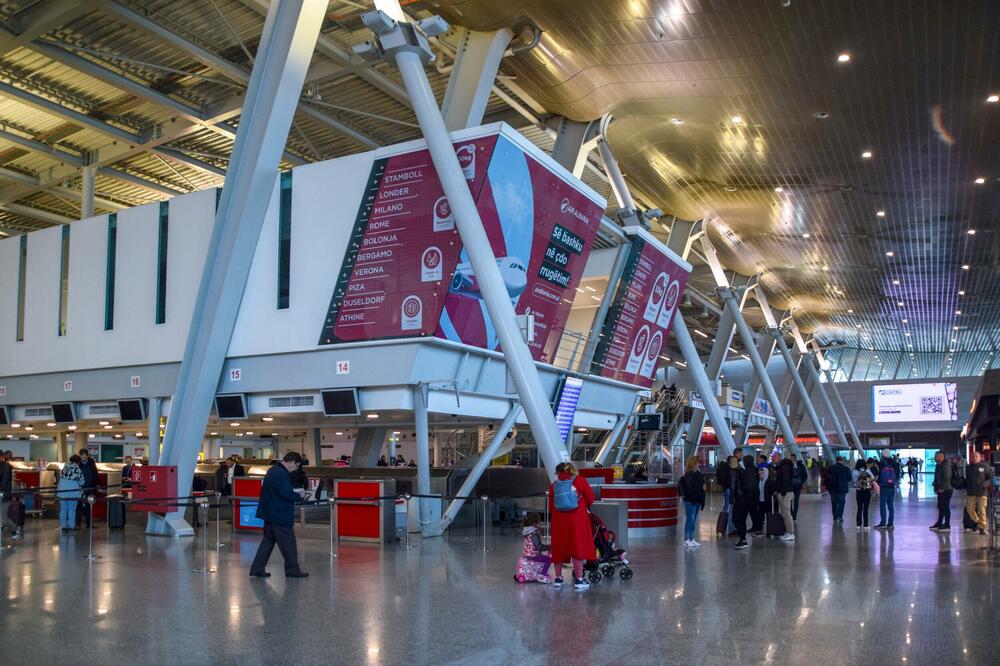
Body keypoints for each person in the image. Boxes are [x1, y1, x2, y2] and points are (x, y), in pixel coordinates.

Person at [249, 452, 308, 578]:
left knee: (268, 541)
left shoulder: (273, 470)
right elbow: (285, 493)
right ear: (292, 462)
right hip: (279, 514)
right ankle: (292, 569)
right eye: (297, 465)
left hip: (270, 513)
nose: (296, 468)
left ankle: (257, 568)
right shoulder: (281, 473)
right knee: (289, 542)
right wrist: (299, 495)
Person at [548, 462, 596, 589]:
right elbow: (591, 499)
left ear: (558, 473)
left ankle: (558, 579)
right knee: (577, 547)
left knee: (559, 547)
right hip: (577, 520)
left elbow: (551, 506)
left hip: (559, 520)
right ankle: (579, 580)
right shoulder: (580, 481)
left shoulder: (554, 485)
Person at [514, 513, 551, 583]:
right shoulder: (534, 533)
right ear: (535, 523)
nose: (541, 524)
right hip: (533, 554)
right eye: (540, 522)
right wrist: (549, 547)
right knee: (548, 559)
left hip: (527, 553)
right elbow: (538, 547)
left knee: (544, 558)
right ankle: (542, 575)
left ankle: (532, 573)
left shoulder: (527, 531)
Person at [679, 456, 705, 547]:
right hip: (690, 500)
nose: (699, 464)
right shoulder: (688, 475)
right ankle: (687, 539)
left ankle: (692, 538)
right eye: (697, 462)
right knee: (690, 518)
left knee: (694, 519)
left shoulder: (699, 474)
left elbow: (701, 487)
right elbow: (689, 488)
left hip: (697, 499)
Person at [732, 454, 757, 550]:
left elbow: (737, 484)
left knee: (736, 518)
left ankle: (742, 539)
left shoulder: (744, 472)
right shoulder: (754, 471)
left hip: (742, 498)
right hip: (750, 499)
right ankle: (742, 538)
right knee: (742, 518)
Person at [57, 455, 85, 532]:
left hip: (62, 491)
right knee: (72, 510)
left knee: (63, 510)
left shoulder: (64, 468)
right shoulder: (77, 469)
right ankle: (71, 526)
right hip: (73, 492)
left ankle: (63, 526)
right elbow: (82, 482)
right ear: (78, 462)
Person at [965, 451, 990, 535]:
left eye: (976, 456)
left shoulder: (984, 466)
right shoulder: (968, 467)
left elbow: (990, 478)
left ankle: (982, 528)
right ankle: (978, 521)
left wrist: (985, 484)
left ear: (980, 457)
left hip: (982, 492)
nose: (974, 458)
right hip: (971, 492)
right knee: (969, 509)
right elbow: (967, 480)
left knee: (981, 510)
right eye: (973, 456)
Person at [772, 453, 796, 541]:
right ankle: (788, 532)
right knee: (784, 513)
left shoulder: (784, 466)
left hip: (786, 493)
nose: (773, 459)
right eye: (772, 457)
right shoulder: (781, 466)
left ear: (779, 458)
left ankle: (791, 533)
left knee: (787, 513)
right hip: (784, 492)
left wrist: (782, 492)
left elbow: (785, 480)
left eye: (774, 457)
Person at [874, 452, 898, 529]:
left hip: (884, 486)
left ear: (883, 455)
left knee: (882, 504)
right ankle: (891, 523)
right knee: (890, 504)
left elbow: (879, 474)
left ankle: (883, 522)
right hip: (892, 486)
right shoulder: (894, 462)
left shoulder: (881, 463)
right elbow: (897, 474)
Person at [930, 451, 952, 531]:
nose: (935, 457)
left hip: (946, 489)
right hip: (940, 489)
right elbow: (936, 477)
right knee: (940, 507)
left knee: (945, 507)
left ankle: (947, 524)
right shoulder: (938, 465)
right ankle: (939, 523)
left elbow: (947, 477)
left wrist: (942, 487)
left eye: (936, 456)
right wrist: (936, 487)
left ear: (940, 456)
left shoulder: (945, 464)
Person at [77, 449, 99, 529]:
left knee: (89, 506)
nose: (82, 457)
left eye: (83, 455)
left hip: (90, 487)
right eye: (81, 455)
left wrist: (96, 484)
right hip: (79, 488)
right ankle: (78, 524)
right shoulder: (78, 464)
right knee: (79, 506)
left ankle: (89, 524)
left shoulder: (91, 463)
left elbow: (95, 474)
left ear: (87, 455)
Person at [716, 456, 736, 536]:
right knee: (731, 509)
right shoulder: (732, 470)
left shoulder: (724, 468)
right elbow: (733, 483)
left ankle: (721, 529)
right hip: (730, 490)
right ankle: (731, 529)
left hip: (726, 489)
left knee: (726, 508)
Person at [828, 457, 852, 524]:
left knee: (834, 502)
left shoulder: (830, 468)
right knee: (841, 502)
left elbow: (827, 478)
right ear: (842, 461)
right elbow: (849, 478)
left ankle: (835, 517)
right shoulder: (846, 468)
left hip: (833, 488)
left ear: (836, 461)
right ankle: (840, 516)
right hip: (842, 488)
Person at [0, 450, 18, 539]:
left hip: (4, 496)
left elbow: (4, 482)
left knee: (3, 517)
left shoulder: (6, 467)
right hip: (3, 495)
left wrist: (1, 492)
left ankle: (14, 529)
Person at [852, 459, 875, 530]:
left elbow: (854, 481)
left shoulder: (855, 471)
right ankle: (866, 525)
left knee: (859, 508)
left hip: (859, 491)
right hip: (867, 491)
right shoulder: (867, 471)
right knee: (866, 508)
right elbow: (873, 478)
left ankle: (858, 525)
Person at [789, 454, 806, 519]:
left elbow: (805, 475)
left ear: (795, 458)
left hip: (798, 486)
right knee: (789, 500)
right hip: (790, 486)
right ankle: (791, 513)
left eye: (792, 458)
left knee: (796, 501)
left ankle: (794, 515)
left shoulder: (801, 466)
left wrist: (801, 482)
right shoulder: (789, 466)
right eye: (790, 458)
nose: (791, 460)